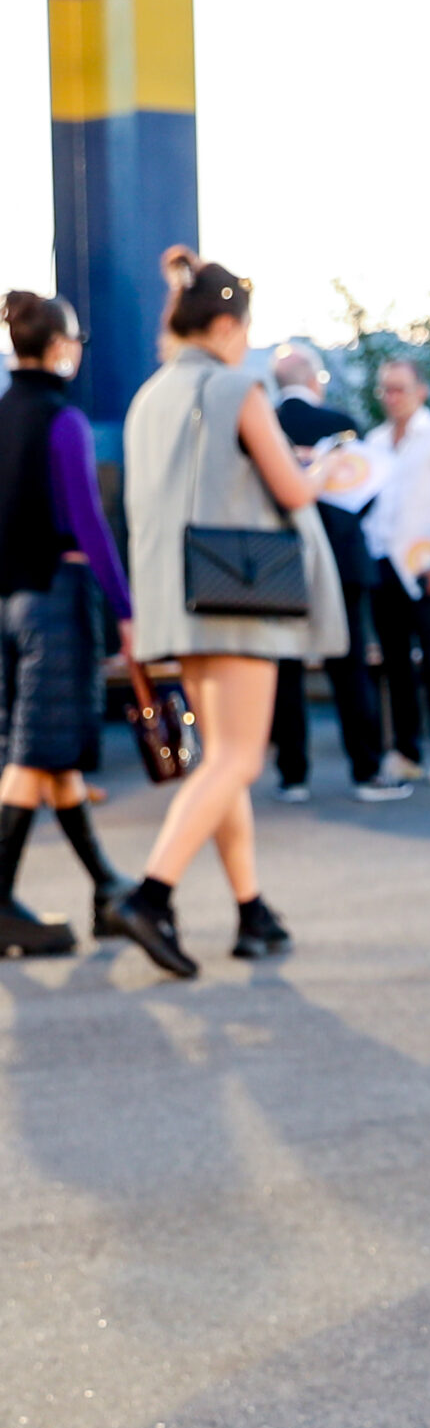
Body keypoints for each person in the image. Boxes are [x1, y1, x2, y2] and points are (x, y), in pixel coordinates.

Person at [112, 249, 347, 979]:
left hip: (178, 596)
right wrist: (327, 466)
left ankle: (251, 910)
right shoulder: (236, 387)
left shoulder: (151, 395)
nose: (247, 343)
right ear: (223, 326)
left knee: (221, 760)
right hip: (240, 594)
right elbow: (292, 489)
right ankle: (150, 896)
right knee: (239, 759)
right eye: (244, 330)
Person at [0, 289, 135, 953]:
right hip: (56, 598)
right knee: (34, 756)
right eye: (75, 340)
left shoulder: (2, 414)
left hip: (8, 605)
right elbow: (90, 524)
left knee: (50, 751)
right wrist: (127, 612)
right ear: (58, 347)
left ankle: (108, 889)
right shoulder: (64, 421)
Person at [271, 345, 410, 803]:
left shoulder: (265, 423)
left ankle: (292, 776)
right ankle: (365, 771)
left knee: (286, 669)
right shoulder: (341, 424)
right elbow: (368, 493)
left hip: (283, 562)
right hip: (342, 560)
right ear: (316, 379)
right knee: (350, 668)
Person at [364, 358, 430, 786]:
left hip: (427, 566)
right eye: (385, 389)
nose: (391, 397)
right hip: (382, 564)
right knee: (394, 664)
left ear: (420, 391)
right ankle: (406, 750)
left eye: (399, 389)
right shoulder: (374, 441)